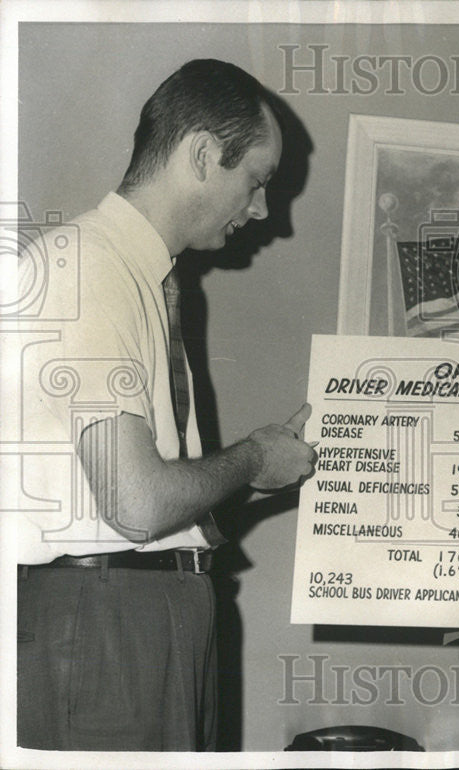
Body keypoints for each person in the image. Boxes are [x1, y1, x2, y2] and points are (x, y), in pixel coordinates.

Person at [16, 59, 318, 750]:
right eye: (257, 181)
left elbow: (135, 505)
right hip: (107, 628)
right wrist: (249, 458)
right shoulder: (90, 266)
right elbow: (137, 503)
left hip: (137, 616)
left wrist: (264, 471)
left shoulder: (141, 278)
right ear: (204, 155)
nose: (263, 208)